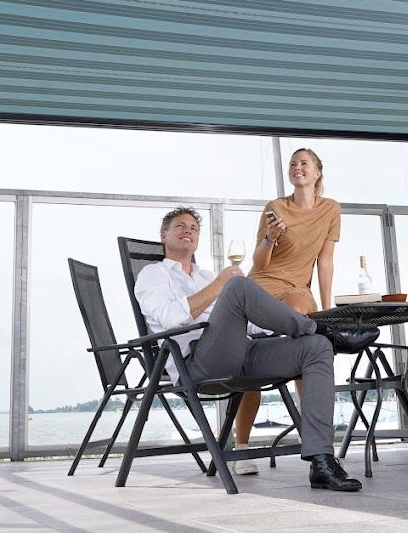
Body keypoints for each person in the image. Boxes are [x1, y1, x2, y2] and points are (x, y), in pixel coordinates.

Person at [134, 206, 372, 492]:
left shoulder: (206, 275)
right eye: (180, 226)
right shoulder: (153, 274)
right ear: (163, 236)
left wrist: (277, 324)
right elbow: (170, 318)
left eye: (194, 228)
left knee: (315, 348)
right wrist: (222, 286)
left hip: (240, 353)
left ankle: (321, 462)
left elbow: (244, 326)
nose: (188, 231)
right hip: (196, 361)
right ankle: (326, 331)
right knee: (238, 286)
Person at [231, 148, 343, 473]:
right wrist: (270, 237)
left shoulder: (330, 209)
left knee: (305, 333)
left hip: (298, 289)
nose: (297, 168)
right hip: (263, 283)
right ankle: (241, 446)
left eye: (303, 163)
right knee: (252, 351)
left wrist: (327, 308)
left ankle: (317, 447)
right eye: (293, 164)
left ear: (317, 172)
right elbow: (259, 262)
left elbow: (326, 261)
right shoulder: (275, 207)